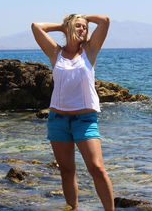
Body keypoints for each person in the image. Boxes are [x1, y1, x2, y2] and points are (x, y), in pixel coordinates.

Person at [31, 14, 114, 211]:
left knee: (97, 168)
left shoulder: (90, 51)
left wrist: (84, 17)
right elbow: (36, 26)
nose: (82, 30)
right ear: (68, 28)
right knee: (67, 171)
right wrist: (62, 26)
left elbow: (104, 21)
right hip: (58, 120)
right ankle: (73, 208)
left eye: (84, 27)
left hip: (85, 120)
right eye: (77, 26)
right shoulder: (55, 52)